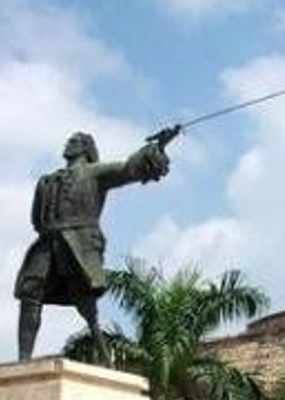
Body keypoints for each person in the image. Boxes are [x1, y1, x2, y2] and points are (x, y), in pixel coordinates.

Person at [14, 131, 172, 362]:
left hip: (79, 242)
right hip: (48, 242)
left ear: (86, 149)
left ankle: (104, 354)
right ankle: (23, 359)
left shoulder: (95, 173)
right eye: (68, 140)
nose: (68, 144)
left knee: (86, 303)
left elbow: (128, 168)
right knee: (30, 293)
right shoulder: (47, 181)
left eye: (75, 141)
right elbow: (36, 218)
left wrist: (157, 147)